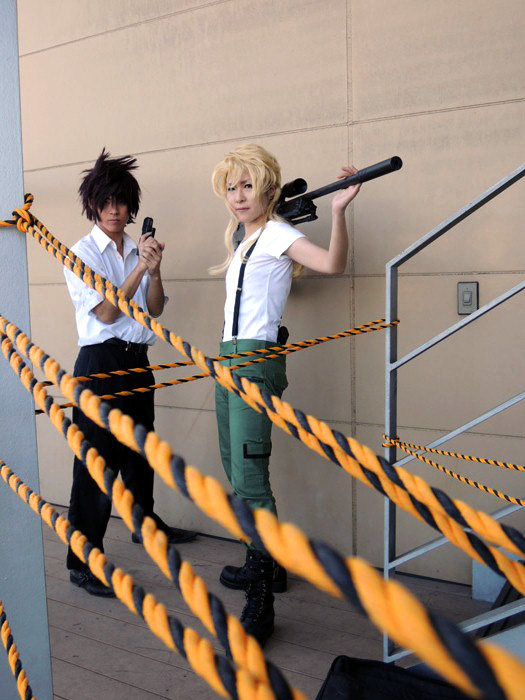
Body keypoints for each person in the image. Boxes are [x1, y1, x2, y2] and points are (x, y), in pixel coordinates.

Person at [210, 143, 361, 644]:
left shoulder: (278, 234)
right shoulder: (244, 240)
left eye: (247, 185)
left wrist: (338, 212)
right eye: (231, 187)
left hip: (255, 362)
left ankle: (262, 599)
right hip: (227, 360)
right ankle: (268, 565)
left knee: (250, 480)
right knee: (235, 468)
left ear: (268, 189)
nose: (238, 195)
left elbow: (333, 264)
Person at [64, 149, 196, 597]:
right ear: (92, 204)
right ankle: (83, 559)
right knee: (95, 463)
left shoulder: (137, 250)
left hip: (138, 360)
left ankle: (145, 526)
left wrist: (154, 272)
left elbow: (154, 310)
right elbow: (105, 312)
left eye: (121, 201)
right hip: (99, 363)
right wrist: (140, 265)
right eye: (105, 202)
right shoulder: (80, 253)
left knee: (141, 453)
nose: (114, 210)